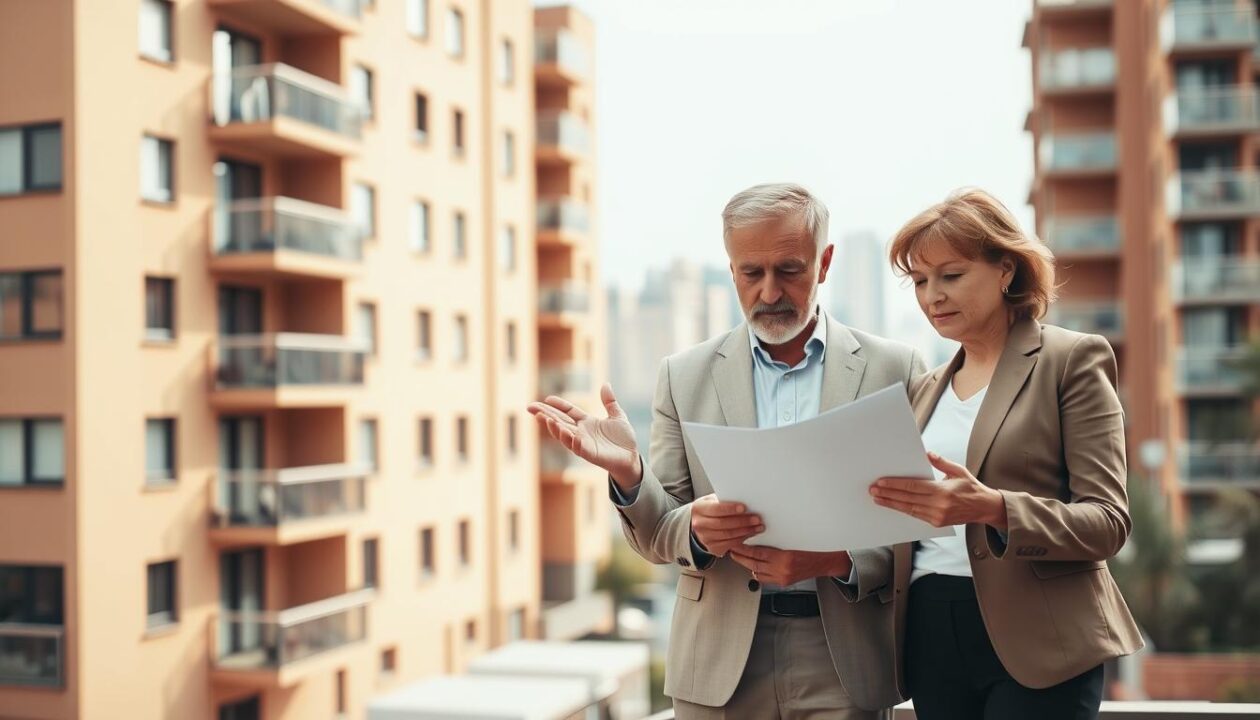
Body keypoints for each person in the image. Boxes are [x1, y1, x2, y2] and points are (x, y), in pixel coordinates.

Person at [530, 183, 924, 719]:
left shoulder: (895, 371)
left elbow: (919, 530)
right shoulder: (682, 376)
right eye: (750, 273)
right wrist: (635, 478)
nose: (768, 293)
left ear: (824, 262)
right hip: (719, 661)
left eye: (789, 270)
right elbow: (656, 535)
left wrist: (836, 559)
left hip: (844, 660)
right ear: (731, 267)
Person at [870, 188, 1143, 720]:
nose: (932, 297)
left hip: (1043, 641)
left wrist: (993, 508)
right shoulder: (921, 391)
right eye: (920, 282)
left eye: (950, 276)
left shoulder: (1072, 361)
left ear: (1005, 270)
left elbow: (1107, 523)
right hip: (931, 635)